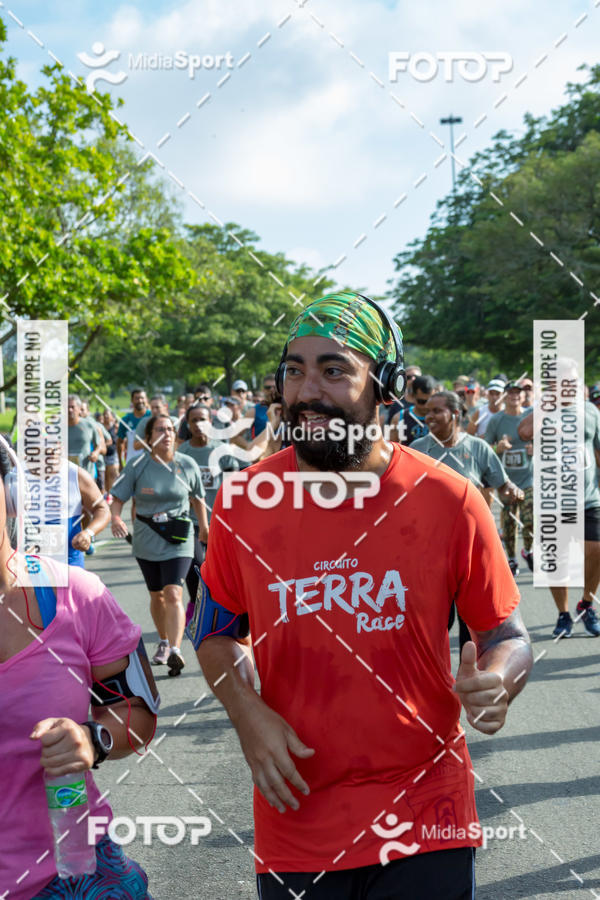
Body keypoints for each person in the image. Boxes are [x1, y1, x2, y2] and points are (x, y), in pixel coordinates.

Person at [192, 290, 532, 899]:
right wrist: (248, 715)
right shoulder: (242, 502)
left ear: (386, 387)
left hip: (426, 812)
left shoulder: (450, 499)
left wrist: (498, 680)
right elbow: (215, 634)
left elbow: (506, 634)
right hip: (296, 816)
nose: (307, 391)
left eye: (334, 370)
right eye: (294, 370)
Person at [0, 444, 158, 900]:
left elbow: (139, 713)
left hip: (70, 876)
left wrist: (93, 738)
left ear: (12, 495)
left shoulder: (78, 595)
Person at [412, 391, 524, 650]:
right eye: (427, 412)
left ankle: (468, 672)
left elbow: (502, 485)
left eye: (436, 411)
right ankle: (435, 673)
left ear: (455, 414)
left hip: (470, 548)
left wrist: (512, 491)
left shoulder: (478, 448)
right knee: (436, 621)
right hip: (430, 549)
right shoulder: (417, 450)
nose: (429, 417)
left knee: (470, 625)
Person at [111, 414, 208, 676]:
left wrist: (204, 528)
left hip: (179, 536)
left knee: (174, 592)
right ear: (149, 436)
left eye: (170, 429)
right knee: (157, 595)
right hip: (147, 536)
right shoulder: (137, 465)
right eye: (160, 430)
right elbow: (117, 498)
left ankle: (175, 649)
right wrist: (116, 518)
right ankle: (163, 641)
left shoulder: (186, 464)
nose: (167, 434)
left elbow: (198, 498)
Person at [519, 397, 600, 637]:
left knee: (596, 549)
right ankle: (563, 614)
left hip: (588, 498)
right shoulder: (541, 410)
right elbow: (524, 433)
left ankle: (586, 604)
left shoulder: (590, 410)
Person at [178, 403, 239, 612]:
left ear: (210, 422)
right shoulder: (182, 453)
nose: (198, 424)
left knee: (221, 569)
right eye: (193, 420)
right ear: (188, 424)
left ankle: (219, 609)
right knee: (195, 563)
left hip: (219, 520)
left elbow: (234, 485)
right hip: (191, 520)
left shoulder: (222, 450)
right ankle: (196, 607)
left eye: (202, 419)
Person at [484, 382, 533, 576]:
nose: (514, 396)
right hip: (506, 480)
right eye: (510, 393)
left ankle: (528, 550)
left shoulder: (530, 416)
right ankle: (512, 558)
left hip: (528, 478)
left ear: (523, 396)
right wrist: (499, 448)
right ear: (505, 397)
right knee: (510, 524)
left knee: (530, 519)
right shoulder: (496, 420)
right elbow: (485, 447)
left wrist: (536, 447)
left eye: (518, 393)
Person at [390, 374, 436, 445]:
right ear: (413, 396)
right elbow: (392, 447)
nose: (426, 406)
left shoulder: (439, 418)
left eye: (430, 401)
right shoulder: (399, 418)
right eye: (421, 401)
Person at [67, 394, 105, 477]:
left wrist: (96, 453)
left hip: (87, 475)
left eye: (72, 407)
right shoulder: (59, 428)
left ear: (79, 408)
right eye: (67, 407)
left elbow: (102, 447)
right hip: (67, 475)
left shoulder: (89, 425)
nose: (70, 410)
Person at [116, 389, 150, 469]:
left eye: (142, 398)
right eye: (137, 398)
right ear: (132, 400)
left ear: (146, 399)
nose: (140, 401)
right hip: (132, 462)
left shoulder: (153, 417)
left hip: (149, 462)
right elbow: (120, 442)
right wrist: (120, 463)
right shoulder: (125, 420)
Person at [101, 409, 120, 496]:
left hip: (113, 454)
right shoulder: (101, 427)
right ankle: (106, 495)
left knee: (112, 475)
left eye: (107, 415)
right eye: (104, 414)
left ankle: (111, 495)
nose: (106, 416)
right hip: (103, 455)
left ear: (112, 417)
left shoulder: (115, 427)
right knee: (105, 477)